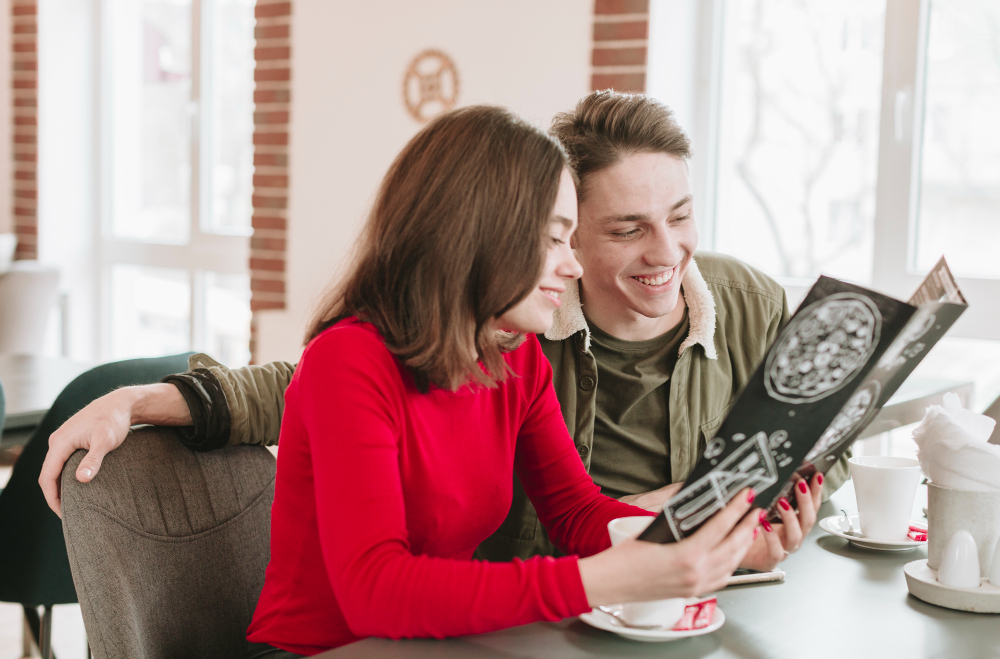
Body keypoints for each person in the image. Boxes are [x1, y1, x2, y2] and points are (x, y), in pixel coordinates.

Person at [40, 92, 834, 572]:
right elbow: (308, 385)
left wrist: (735, 528)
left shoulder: (750, 301)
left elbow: (812, 439)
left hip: (667, 592)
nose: (666, 252)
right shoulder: (517, 331)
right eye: (627, 229)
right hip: (548, 608)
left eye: (683, 217)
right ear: (566, 235)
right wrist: (146, 397)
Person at [179, 106, 767, 656]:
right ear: (483, 237)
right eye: (555, 238)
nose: (574, 263)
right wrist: (604, 577)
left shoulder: (516, 356)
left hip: (439, 648)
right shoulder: (349, 361)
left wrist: (698, 538)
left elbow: (576, 512)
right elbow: (376, 590)